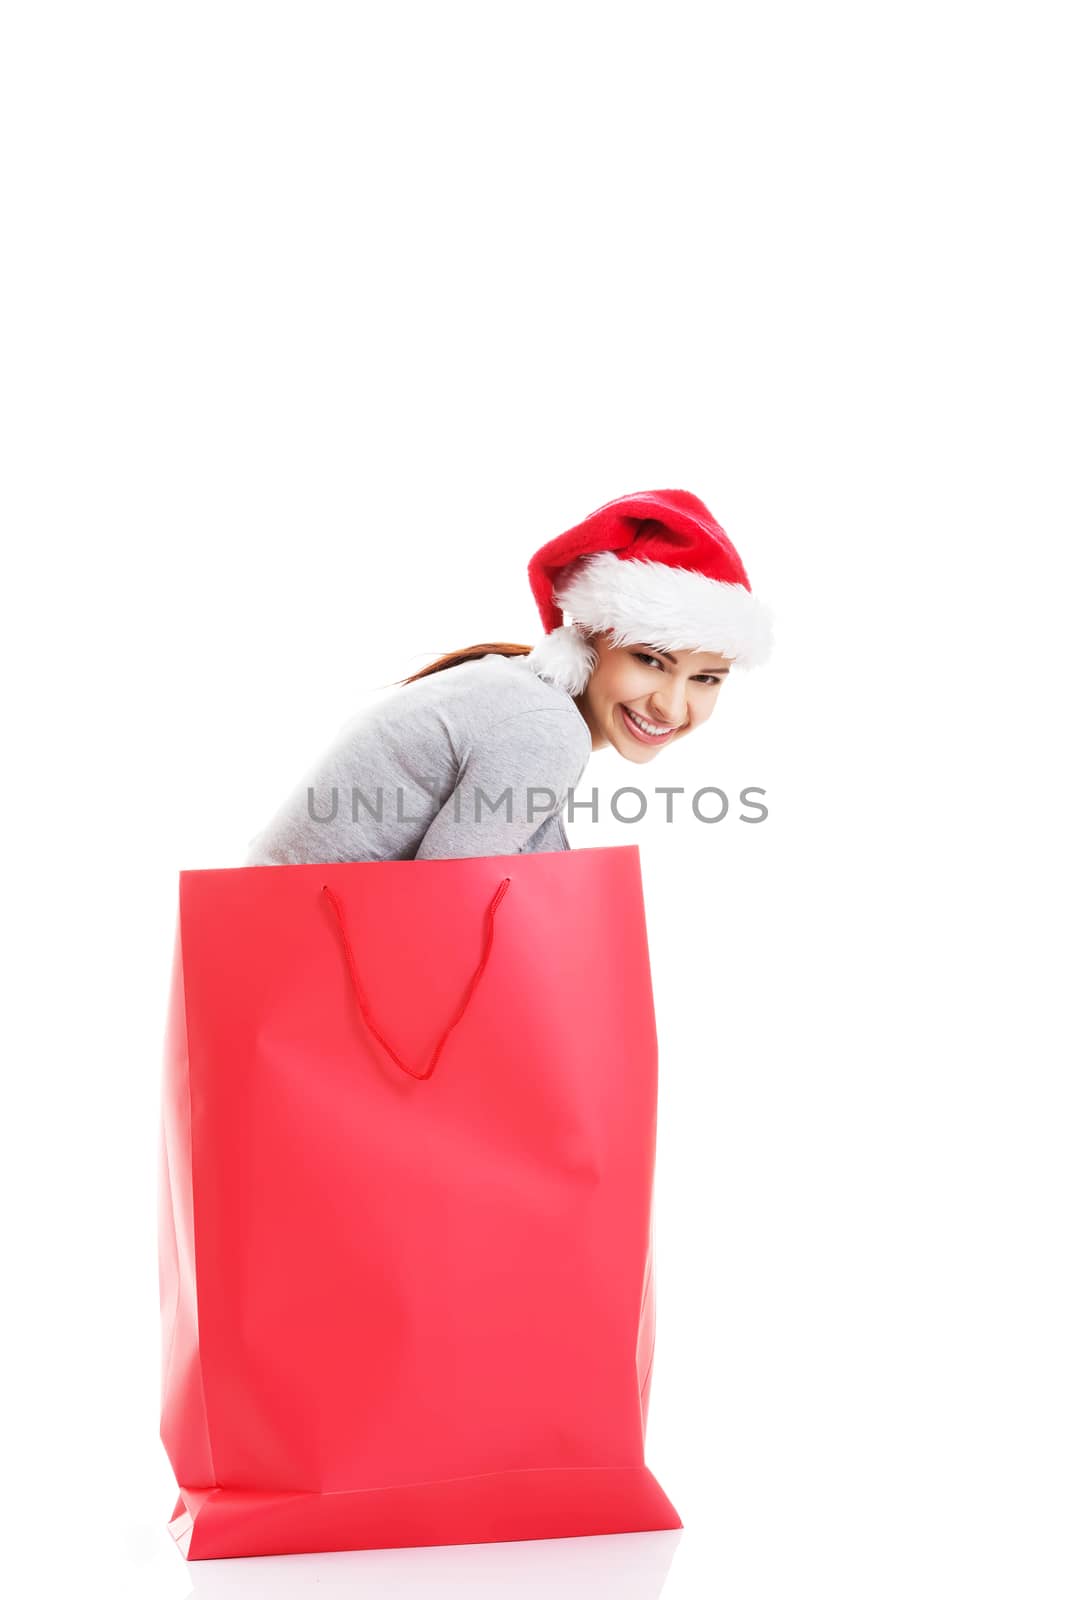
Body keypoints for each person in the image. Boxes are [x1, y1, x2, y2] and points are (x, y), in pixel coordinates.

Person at [243, 487, 773, 865]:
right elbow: (450, 905)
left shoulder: (516, 690)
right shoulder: (545, 725)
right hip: (289, 967)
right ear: (587, 635)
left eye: (707, 678)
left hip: (286, 954)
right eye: (650, 660)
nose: (673, 706)